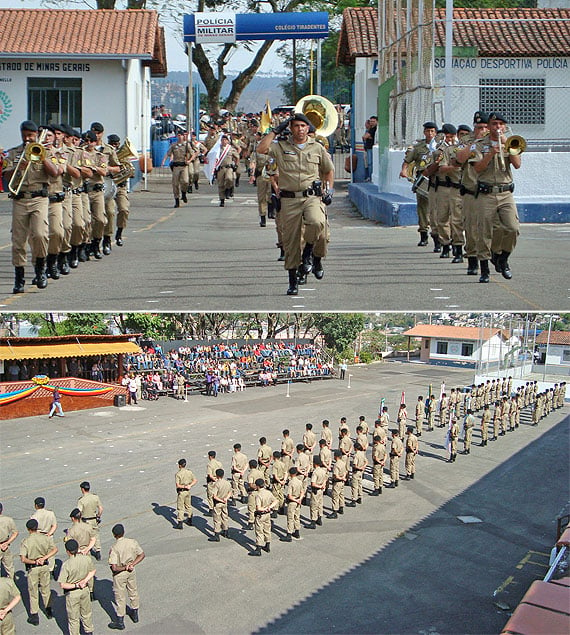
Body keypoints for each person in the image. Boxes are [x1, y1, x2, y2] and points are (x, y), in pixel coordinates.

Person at [257, 112, 334, 296]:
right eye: (296, 126)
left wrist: (329, 190)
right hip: (289, 199)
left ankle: (310, 253)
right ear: (290, 128)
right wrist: (276, 130)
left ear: (309, 128)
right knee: (290, 241)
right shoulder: (280, 147)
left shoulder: (317, 148)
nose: (300, 129)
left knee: (317, 223)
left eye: (303, 126)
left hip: (311, 197)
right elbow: (261, 149)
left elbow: (328, 171)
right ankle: (293, 281)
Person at [4, 120, 59, 293]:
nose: (27, 139)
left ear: (36, 135)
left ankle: (40, 270)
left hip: (39, 198)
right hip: (20, 199)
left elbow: (55, 172)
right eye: (25, 135)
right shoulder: (14, 153)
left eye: (30, 135)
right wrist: (19, 166)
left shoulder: (46, 151)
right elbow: (6, 177)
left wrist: (42, 158)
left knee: (40, 235)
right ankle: (19, 278)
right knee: (18, 241)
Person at [471, 112, 521, 282]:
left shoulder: (511, 142)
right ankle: (484, 270)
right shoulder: (479, 144)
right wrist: (491, 153)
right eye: (494, 124)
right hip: (486, 193)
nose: (497, 127)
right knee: (484, 231)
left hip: (505, 192)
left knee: (512, 228)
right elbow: (477, 168)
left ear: (505, 126)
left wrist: (508, 145)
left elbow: (517, 164)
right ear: (489, 126)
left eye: (501, 124)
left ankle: (503, 258)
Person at [399, 121, 438, 247]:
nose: (430, 133)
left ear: (436, 133)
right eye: (428, 131)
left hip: (437, 179)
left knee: (437, 209)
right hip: (422, 179)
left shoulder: (440, 146)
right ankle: (423, 234)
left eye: (432, 131)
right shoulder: (419, 147)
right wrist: (404, 170)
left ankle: (437, 236)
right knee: (422, 208)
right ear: (424, 132)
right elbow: (407, 160)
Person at [19, 518, 57, 625]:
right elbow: (54, 550)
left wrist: (34, 561)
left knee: (33, 591)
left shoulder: (26, 542)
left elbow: (23, 559)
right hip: (44, 566)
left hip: (33, 568)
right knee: (46, 588)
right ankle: (49, 610)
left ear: (28, 529)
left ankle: (34, 615)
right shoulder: (45, 538)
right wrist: (44, 558)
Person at [108, 523, 145, 630]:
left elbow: (114, 567)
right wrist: (132, 564)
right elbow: (141, 554)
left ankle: (120, 621)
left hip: (120, 574)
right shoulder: (132, 542)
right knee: (133, 591)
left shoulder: (114, 548)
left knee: (120, 597)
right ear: (123, 532)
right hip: (131, 571)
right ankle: (135, 613)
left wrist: (124, 567)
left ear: (114, 535)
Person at [58, 539, 96, 635]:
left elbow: (62, 584)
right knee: (86, 613)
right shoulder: (86, 558)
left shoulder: (66, 565)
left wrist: (76, 585)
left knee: (73, 618)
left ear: (67, 551)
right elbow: (92, 571)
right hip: (85, 589)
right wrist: (85, 581)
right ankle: (89, 631)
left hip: (73, 593)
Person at [161, 130, 191, 207]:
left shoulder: (186, 145)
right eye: (179, 135)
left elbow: (193, 153)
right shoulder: (174, 146)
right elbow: (168, 154)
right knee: (175, 184)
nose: (180, 136)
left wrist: (189, 160)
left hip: (184, 166)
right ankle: (177, 200)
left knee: (185, 181)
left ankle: (184, 193)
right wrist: (163, 161)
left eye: (182, 135)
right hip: (176, 166)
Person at [249, 479, 277, 556]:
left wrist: (264, 508)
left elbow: (258, 508)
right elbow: (275, 501)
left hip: (261, 515)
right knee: (267, 529)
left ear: (257, 486)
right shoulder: (268, 493)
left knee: (259, 531)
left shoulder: (259, 495)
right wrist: (269, 507)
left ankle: (258, 549)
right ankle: (267, 546)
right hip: (267, 515)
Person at [77, 481, 103, 561]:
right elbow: (101, 509)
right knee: (96, 535)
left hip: (85, 520)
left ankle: (86, 550)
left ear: (82, 489)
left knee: (85, 536)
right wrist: (98, 516)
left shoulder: (81, 500)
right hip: (94, 519)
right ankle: (98, 551)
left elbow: (79, 512)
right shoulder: (95, 497)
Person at [214, 135, 240, 207]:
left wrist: (236, 165)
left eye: (225, 140)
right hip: (221, 168)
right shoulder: (217, 149)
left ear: (228, 141)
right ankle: (222, 200)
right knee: (221, 184)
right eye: (222, 140)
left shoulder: (230, 149)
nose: (224, 141)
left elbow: (237, 157)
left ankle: (228, 188)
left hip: (229, 167)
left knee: (229, 179)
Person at [208, 469, 233, 542]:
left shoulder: (216, 484)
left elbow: (214, 496)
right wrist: (226, 499)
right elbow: (230, 492)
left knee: (217, 519)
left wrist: (221, 500)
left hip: (218, 503)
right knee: (225, 517)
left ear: (217, 475)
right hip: (225, 502)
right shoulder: (227, 483)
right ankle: (226, 531)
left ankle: (216, 534)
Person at [280, 467, 303, 542]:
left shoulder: (291, 482)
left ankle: (289, 534)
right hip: (298, 500)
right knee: (297, 516)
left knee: (290, 517)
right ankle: (297, 531)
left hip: (292, 501)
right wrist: (299, 499)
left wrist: (295, 500)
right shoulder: (299, 481)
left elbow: (289, 495)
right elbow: (302, 492)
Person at [175, 458, 197, 530]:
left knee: (180, 507)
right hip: (188, 491)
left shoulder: (178, 474)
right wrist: (189, 486)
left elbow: (178, 485)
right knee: (188, 506)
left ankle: (180, 523)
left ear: (179, 465)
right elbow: (195, 480)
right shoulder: (189, 472)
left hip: (182, 491)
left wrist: (184, 486)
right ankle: (190, 519)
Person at [306, 456, 328, 529]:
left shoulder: (315, 472)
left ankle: (313, 521)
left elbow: (313, 483)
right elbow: (325, 479)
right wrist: (323, 486)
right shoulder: (323, 471)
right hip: (321, 491)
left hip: (316, 490)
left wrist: (319, 486)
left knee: (313, 505)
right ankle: (319, 518)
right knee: (320, 504)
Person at [327, 450, 348, 518]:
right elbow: (345, 472)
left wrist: (341, 478)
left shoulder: (336, 465)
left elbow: (335, 475)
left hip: (337, 482)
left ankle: (334, 511)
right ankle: (341, 507)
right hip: (342, 482)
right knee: (341, 495)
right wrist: (344, 478)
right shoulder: (343, 463)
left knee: (335, 496)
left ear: (336, 457)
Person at [0, 503, 19, 579]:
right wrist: (7, 543)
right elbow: (15, 533)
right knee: (10, 568)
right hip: (5, 545)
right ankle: (11, 586)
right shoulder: (8, 519)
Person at [206, 451, 223, 515]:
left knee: (210, 496)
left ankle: (211, 509)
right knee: (217, 494)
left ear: (210, 456)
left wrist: (214, 480)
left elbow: (210, 475)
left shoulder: (210, 464)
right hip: (218, 480)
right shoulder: (219, 463)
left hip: (212, 481)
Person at [362, 115, 377, 181]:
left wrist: (368, 137)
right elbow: (364, 137)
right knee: (368, 163)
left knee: (370, 163)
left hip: (371, 147)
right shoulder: (370, 129)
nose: (372, 123)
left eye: (373, 121)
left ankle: (371, 177)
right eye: (371, 121)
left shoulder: (374, 129)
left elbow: (365, 137)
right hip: (368, 147)